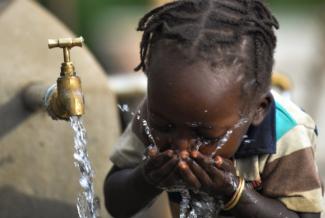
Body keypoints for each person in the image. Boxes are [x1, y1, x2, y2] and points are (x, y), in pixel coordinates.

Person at [103, 0, 324, 217]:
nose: (182, 148)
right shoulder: (155, 114)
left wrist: (233, 191)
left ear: (258, 110)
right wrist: (146, 179)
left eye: (205, 135)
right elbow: (115, 203)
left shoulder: (285, 134)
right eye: (165, 126)